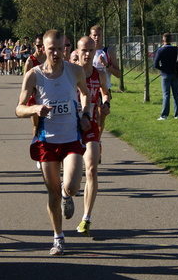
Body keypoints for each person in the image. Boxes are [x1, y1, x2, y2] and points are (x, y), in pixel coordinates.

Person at [16, 30, 91, 255]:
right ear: (43, 49)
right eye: (52, 49)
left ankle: (68, 196)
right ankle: (58, 237)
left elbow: (85, 94)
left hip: (71, 138)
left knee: (71, 186)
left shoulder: (75, 70)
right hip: (47, 140)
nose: (57, 53)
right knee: (53, 192)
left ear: (66, 48)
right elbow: (18, 108)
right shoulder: (33, 75)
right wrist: (35, 108)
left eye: (61, 49)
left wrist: (85, 114)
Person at [75, 37, 110, 237]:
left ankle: (86, 218)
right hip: (70, 126)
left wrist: (106, 104)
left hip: (91, 125)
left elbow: (105, 93)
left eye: (91, 50)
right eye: (84, 50)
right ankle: (66, 193)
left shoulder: (100, 74)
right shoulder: (69, 72)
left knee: (91, 169)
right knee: (72, 178)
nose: (87, 54)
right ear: (77, 52)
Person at [90, 25, 121, 138]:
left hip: (104, 89)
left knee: (100, 119)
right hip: (88, 89)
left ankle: (97, 142)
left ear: (102, 36)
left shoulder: (108, 51)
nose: (97, 38)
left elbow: (119, 74)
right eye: (94, 35)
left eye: (99, 35)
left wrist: (106, 65)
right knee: (89, 119)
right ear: (90, 36)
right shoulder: (86, 52)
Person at [153, 33, 178, 120]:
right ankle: (177, 114)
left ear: (163, 41)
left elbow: (155, 64)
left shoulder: (160, 50)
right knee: (176, 94)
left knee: (166, 95)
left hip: (165, 74)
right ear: (171, 40)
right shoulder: (176, 49)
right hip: (175, 74)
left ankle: (164, 115)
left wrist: (162, 68)